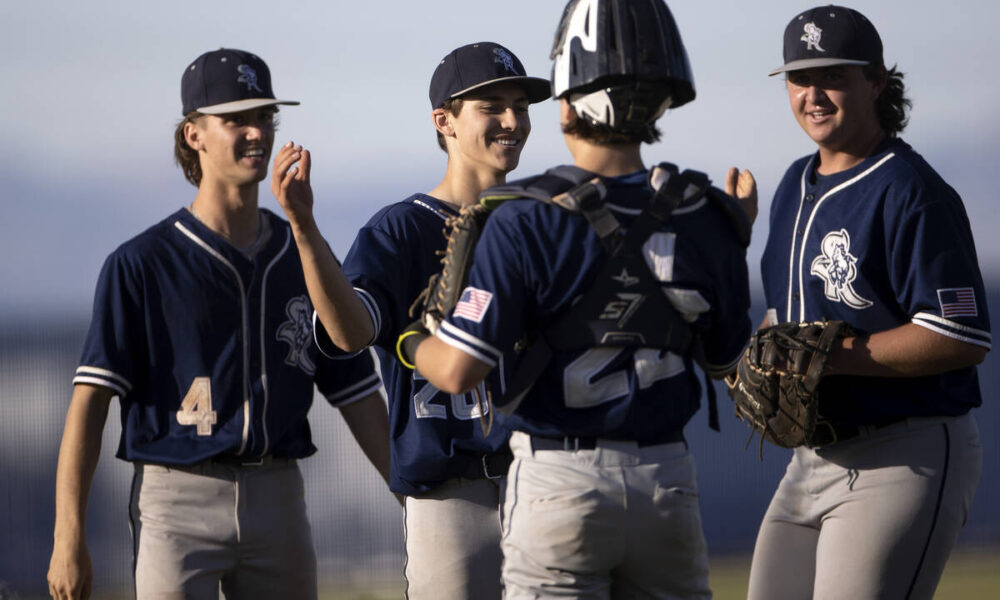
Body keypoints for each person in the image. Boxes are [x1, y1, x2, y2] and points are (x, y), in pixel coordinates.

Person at [403, 1, 755, 596]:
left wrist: (413, 338)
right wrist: (732, 236)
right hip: (667, 478)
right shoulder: (706, 214)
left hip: (561, 479)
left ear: (565, 107)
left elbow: (459, 370)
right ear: (661, 100)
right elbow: (727, 365)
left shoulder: (523, 218)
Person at [46, 48, 391, 600]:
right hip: (176, 498)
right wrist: (69, 537)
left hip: (278, 494)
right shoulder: (141, 263)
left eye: (263, 117)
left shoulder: (302, 255)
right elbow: (89, 405)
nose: (255, 132)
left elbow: (358, 393)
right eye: (236, 119)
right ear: (194, 135)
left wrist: (410, 500)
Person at [274, 43, 549, 599]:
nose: (513, 120)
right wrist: (304, 227)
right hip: (450, 498)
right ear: (443, 121)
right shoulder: (400, 230)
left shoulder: (543, 222)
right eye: (491, 105)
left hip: (545, 483)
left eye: (520, 104)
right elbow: (348, 335)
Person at [748, 6, 989, 599]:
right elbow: (787, 322)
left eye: (833, 76)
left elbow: (960, 336)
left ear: (877, 82)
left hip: (906, 451)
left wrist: (832, 357)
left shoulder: (912, 191)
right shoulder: (793, 186)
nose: (813, 93)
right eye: (800, 79)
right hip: (812, 459)